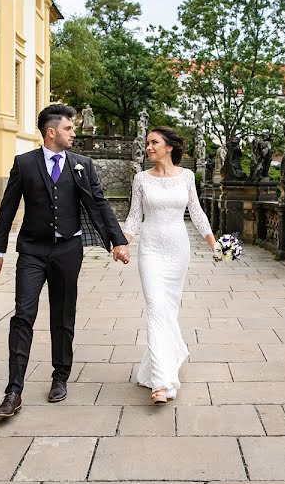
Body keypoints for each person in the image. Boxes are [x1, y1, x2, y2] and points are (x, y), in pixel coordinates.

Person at [0, 104, 130, 419]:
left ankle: (60, 376)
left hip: (68, 250)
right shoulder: (24, 164)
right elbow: (8, 207)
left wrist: (117, 240)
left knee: (63, 315)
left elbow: (99, 204)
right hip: (32, 252)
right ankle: (14, 391)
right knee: (23, 315)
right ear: (51, 132)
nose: (74, 132)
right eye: (69, 128)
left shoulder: (82, 165)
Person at [122, 127, 216, 404]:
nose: (148, 147)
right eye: (148, 142)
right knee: (155, 308)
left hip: (178, 251)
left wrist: (214, 244)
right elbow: (133, 217)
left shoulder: (186, 176)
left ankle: (160, 364)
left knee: (168, 310)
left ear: (169, 147)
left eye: (154, 143)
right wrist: (121, 242)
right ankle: (162, 382)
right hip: (150, 249)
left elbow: (196, 212)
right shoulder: (141, 179)